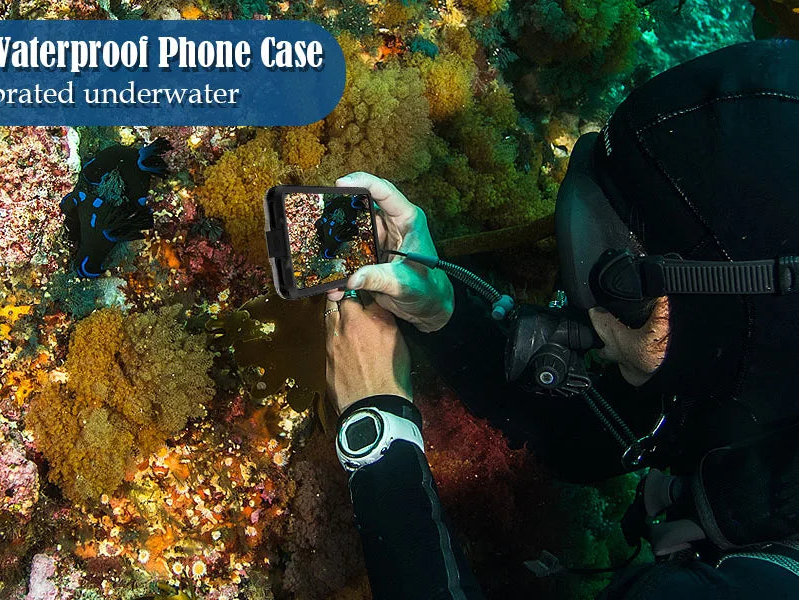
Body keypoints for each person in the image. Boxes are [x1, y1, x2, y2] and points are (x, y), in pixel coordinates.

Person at [324, 39, 799, 599]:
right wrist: (441, 309)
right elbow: (587, 437)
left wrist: (378, 436)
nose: (582, 301)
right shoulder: (741, 367)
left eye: (618, 279)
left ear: (727, 312)